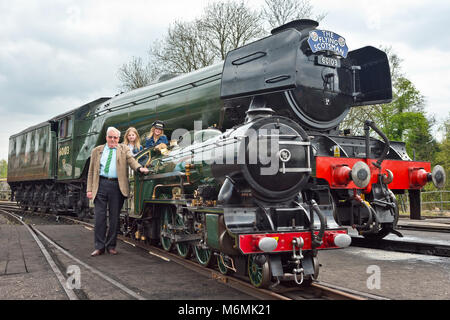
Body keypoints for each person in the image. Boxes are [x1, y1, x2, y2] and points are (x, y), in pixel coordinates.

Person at [86, 127, 149, 257]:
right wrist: (89, 189)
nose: (113, 140)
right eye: (110, 137)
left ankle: (111, 246)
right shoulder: (97, 151)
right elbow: (91, 171)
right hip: (100, 185)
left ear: (119, 139)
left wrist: (139, 168)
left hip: (117, 186)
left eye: (115, 138)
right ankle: (99, 247)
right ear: (106, 137)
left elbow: (131, 161)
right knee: (100, 218)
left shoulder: (123, 149)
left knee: (114, 219)